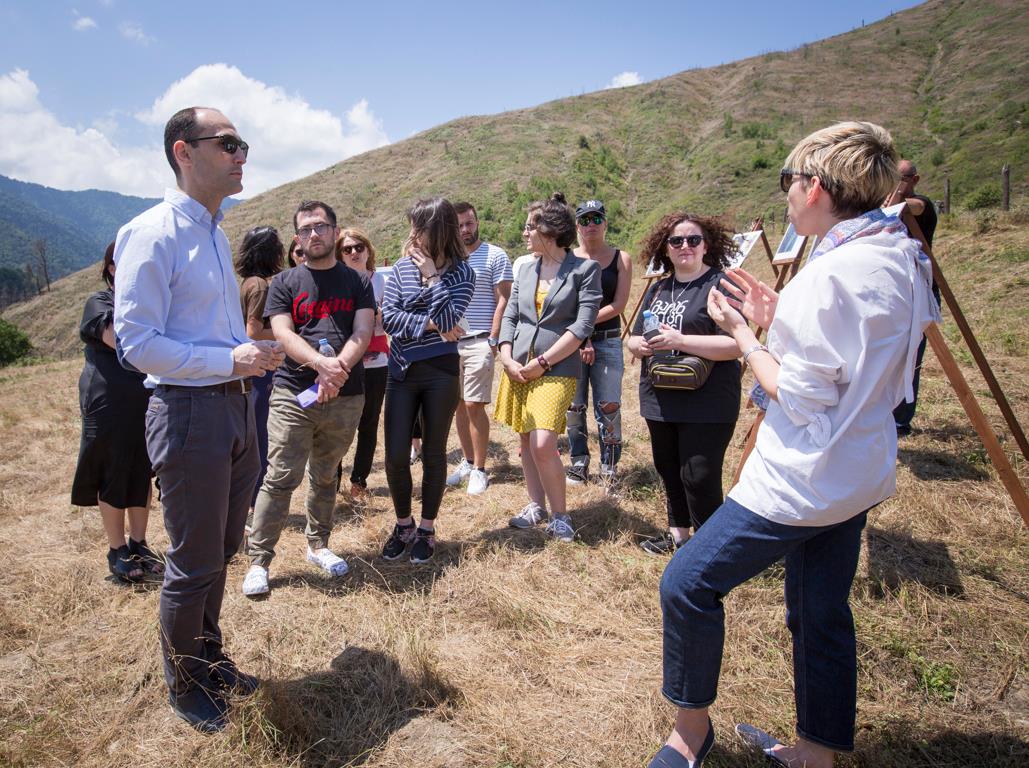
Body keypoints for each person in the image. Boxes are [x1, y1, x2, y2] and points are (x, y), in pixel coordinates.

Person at [647, 122, 938, 768]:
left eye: (788, 181)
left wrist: (746, 336)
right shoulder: (898, 256)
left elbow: (798, 395)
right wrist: (780, 315)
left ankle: (689, 733)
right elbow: (860, 354)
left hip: (803, 477)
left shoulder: (829, 275)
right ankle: (815, 751)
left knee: (686, 583)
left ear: (815, 188)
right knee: (819, 609)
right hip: (859, 468)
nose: (784, 195)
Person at [114, 106, 284, 733]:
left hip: (234, 405)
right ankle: (186, 685)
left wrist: (248, 353)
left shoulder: (213, 232)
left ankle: (208, 657)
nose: (241, 154)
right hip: (189, 412)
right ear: (183, 152)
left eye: (243, 144)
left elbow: (205, 330)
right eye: (228, 143)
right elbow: (136, 343)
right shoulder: (152, 233)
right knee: (193, 559)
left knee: (223, 549)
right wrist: (227, 359)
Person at [241, 201, 374, 597]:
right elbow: (283, 333)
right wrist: (321, 365)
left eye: (321, 226)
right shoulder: (284, 282)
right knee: (281, 476)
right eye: (305, 229)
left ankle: (318, 545)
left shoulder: (358, 281)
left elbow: (363, 331)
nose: (314, 234)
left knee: (326, 474)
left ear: (334, 230)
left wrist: (337, 370)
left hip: (346, 394)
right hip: (292, 393)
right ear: (297, 238)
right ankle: (259, 561)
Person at [627, 213, 742, 556]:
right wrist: (639, 345)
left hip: (709, 400)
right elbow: (632, 338)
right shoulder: (658, 289)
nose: (685, 246)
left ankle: (710, 550)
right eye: (676, 241)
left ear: (707, 245)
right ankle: (678, 536)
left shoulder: (721, 286)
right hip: (660, 395)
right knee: (668, 468)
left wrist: (681, 340)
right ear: (666, 248)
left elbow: (736, 344)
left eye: (693, 240)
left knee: (700, 475)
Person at [495, 194, 601, 541]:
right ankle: (536, 505)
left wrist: (543, 362)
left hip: (556, 369)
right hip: (518, 366)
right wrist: (506, 356)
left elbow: (582, 326)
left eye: (530, 227)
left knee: (542, 443)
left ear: (550, 231)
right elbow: (511, 315)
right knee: (527, 440)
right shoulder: (526, 269)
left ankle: (561, 516)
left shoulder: (585, 270)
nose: (525, 233)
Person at [380, 197, 475, 563]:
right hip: (401, 370)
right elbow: (390, 320)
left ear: (437, 230)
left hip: (441, 373)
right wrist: (433, 324)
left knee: (434, 453)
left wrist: (434, 278)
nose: (413, 234)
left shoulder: (463, 273)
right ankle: (403, 524)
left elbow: (451, 318)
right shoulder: (401, 268)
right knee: (395, 455)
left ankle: (426, 528)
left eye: (419, 227)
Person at [71, 242, 161, 583]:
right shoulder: (100, 302)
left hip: (144, 398)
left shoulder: (147, 305)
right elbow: (126, 345)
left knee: (141, 468)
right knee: (113, 468)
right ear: (112, 268)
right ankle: (117, 548)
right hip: (108, 399)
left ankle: (139, 542)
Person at [445, 202, 513, 495]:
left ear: (477, 222)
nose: (465, 230)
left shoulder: (495, 255)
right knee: (458, 404)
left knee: (474, 404)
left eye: (469, 223)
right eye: (459, 225)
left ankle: (480, 470)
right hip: (450, 343)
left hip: (480, 340)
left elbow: (504, 300)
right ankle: (468, 460)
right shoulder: (447, 258)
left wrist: (494, 338)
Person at [565, 200, 633, 487]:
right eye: (584, 219)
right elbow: (565, 303)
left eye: (596, 219)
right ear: (577, 226)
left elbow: (618, 304)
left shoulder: (621, 259)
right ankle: (578, 463)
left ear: (605, 223)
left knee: (609, 407)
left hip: (607, 341)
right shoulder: (568, 259)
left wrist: (586, 328)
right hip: (572, 343)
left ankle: (609, 468)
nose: (590, 225)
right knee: (574, 407)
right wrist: (581, 337)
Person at [234, 225, 285, 528]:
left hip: (248, 371)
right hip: (260, 371)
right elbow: (253, 330)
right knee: (260, 441)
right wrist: (286, 333)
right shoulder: (260, 286)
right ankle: (253, 505)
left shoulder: (247, 282)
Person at [335, 226, 389, 501]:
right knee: (337, 426)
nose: (354, 252)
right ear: (340, 254)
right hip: (343, 364)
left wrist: (378, 317)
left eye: (359, 247)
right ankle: (331, 482)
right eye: (347, 249)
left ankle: (359, 481)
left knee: (368, 424)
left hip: (377, 362)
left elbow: (391, 322)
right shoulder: (335, 282)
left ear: (368, 250)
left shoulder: (381, 282)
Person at [892, 158, 939, 436]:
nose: (895, 184)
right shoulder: (886, 207)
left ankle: (901, 420)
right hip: (897, 289)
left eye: (901, 179)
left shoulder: (922, 204)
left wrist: (894, 201)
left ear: (914, 180)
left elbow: (916, 207)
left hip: (920, 289)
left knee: (912, 357)